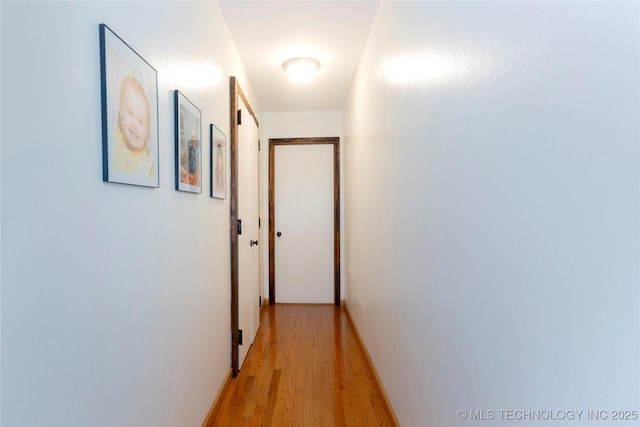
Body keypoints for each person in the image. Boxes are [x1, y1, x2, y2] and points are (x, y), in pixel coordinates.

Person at [112, 74, 155, 176]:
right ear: (121, 114)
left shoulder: (148, 162)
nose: (134, 125)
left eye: (140, 122)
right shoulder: (114, 144)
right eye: (130, 113)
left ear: (146, 133)